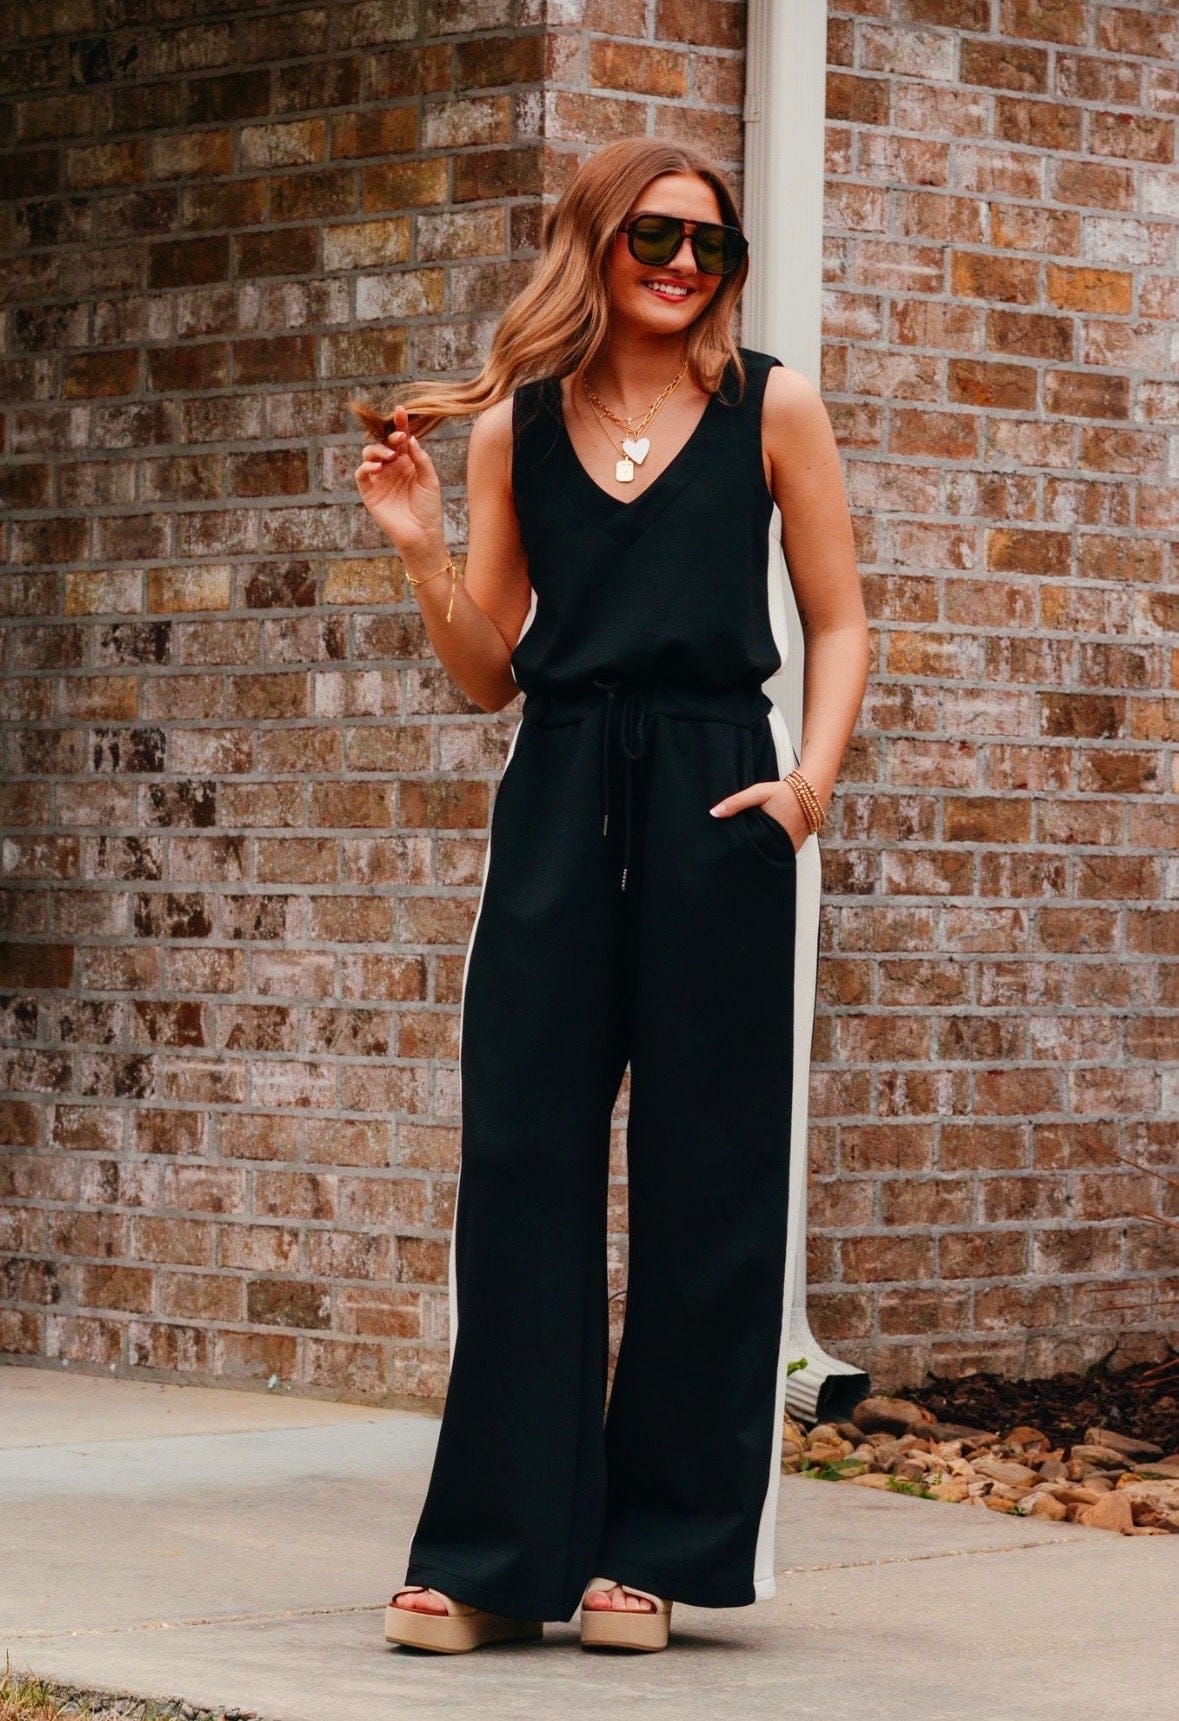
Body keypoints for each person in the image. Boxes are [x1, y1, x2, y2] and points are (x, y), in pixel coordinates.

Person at [352, 136, 869, 1656]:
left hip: (719, 796)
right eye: (655, 236)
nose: (684, 264)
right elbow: (489, 672)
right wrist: (425, 554)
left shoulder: (770, 404)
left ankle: (655, 1553)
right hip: (561, 793)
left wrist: (806, 791)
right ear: (594, 240)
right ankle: (494, 1554)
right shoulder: (518, 422)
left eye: (712, 245)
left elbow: (840, 620)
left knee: (712, 1175)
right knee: (523, 1161)